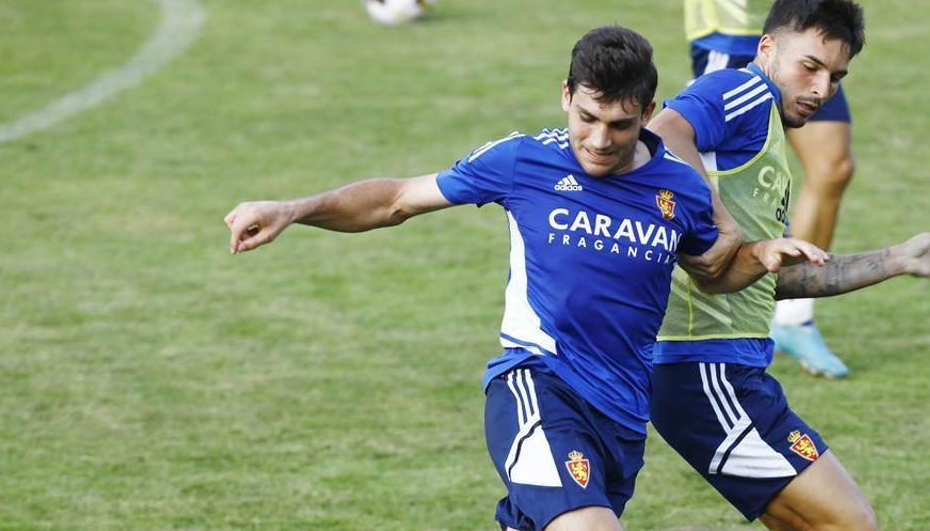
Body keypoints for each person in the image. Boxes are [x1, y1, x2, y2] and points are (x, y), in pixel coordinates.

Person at [223, 26, 826, 531]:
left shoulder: (680, 190)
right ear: (566, 94)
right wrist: (293, 210)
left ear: (647, 112)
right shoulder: (524, 160)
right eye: (585, 117)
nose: (597, 139)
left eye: (618, 125)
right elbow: (396, 200)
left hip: (620, 416)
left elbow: (711, 274)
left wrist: (762, 254)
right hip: (537, 387)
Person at [649, 0, 930, 529]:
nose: (822, 89)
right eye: (810, 67)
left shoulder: (766, 138)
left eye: (836, 76)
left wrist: (893, 259)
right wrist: (719, 219)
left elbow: (773, 279)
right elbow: (663, 132)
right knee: (849, 524)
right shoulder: (742, 88)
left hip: (734, 367)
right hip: (701, 369)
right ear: (767, 47)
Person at [685, 0, 858, 378]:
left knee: (833, 168)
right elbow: (668, 134)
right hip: (732, 23)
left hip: (810, 25)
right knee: (716, 156)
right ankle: (702, 303)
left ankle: (793, 318)